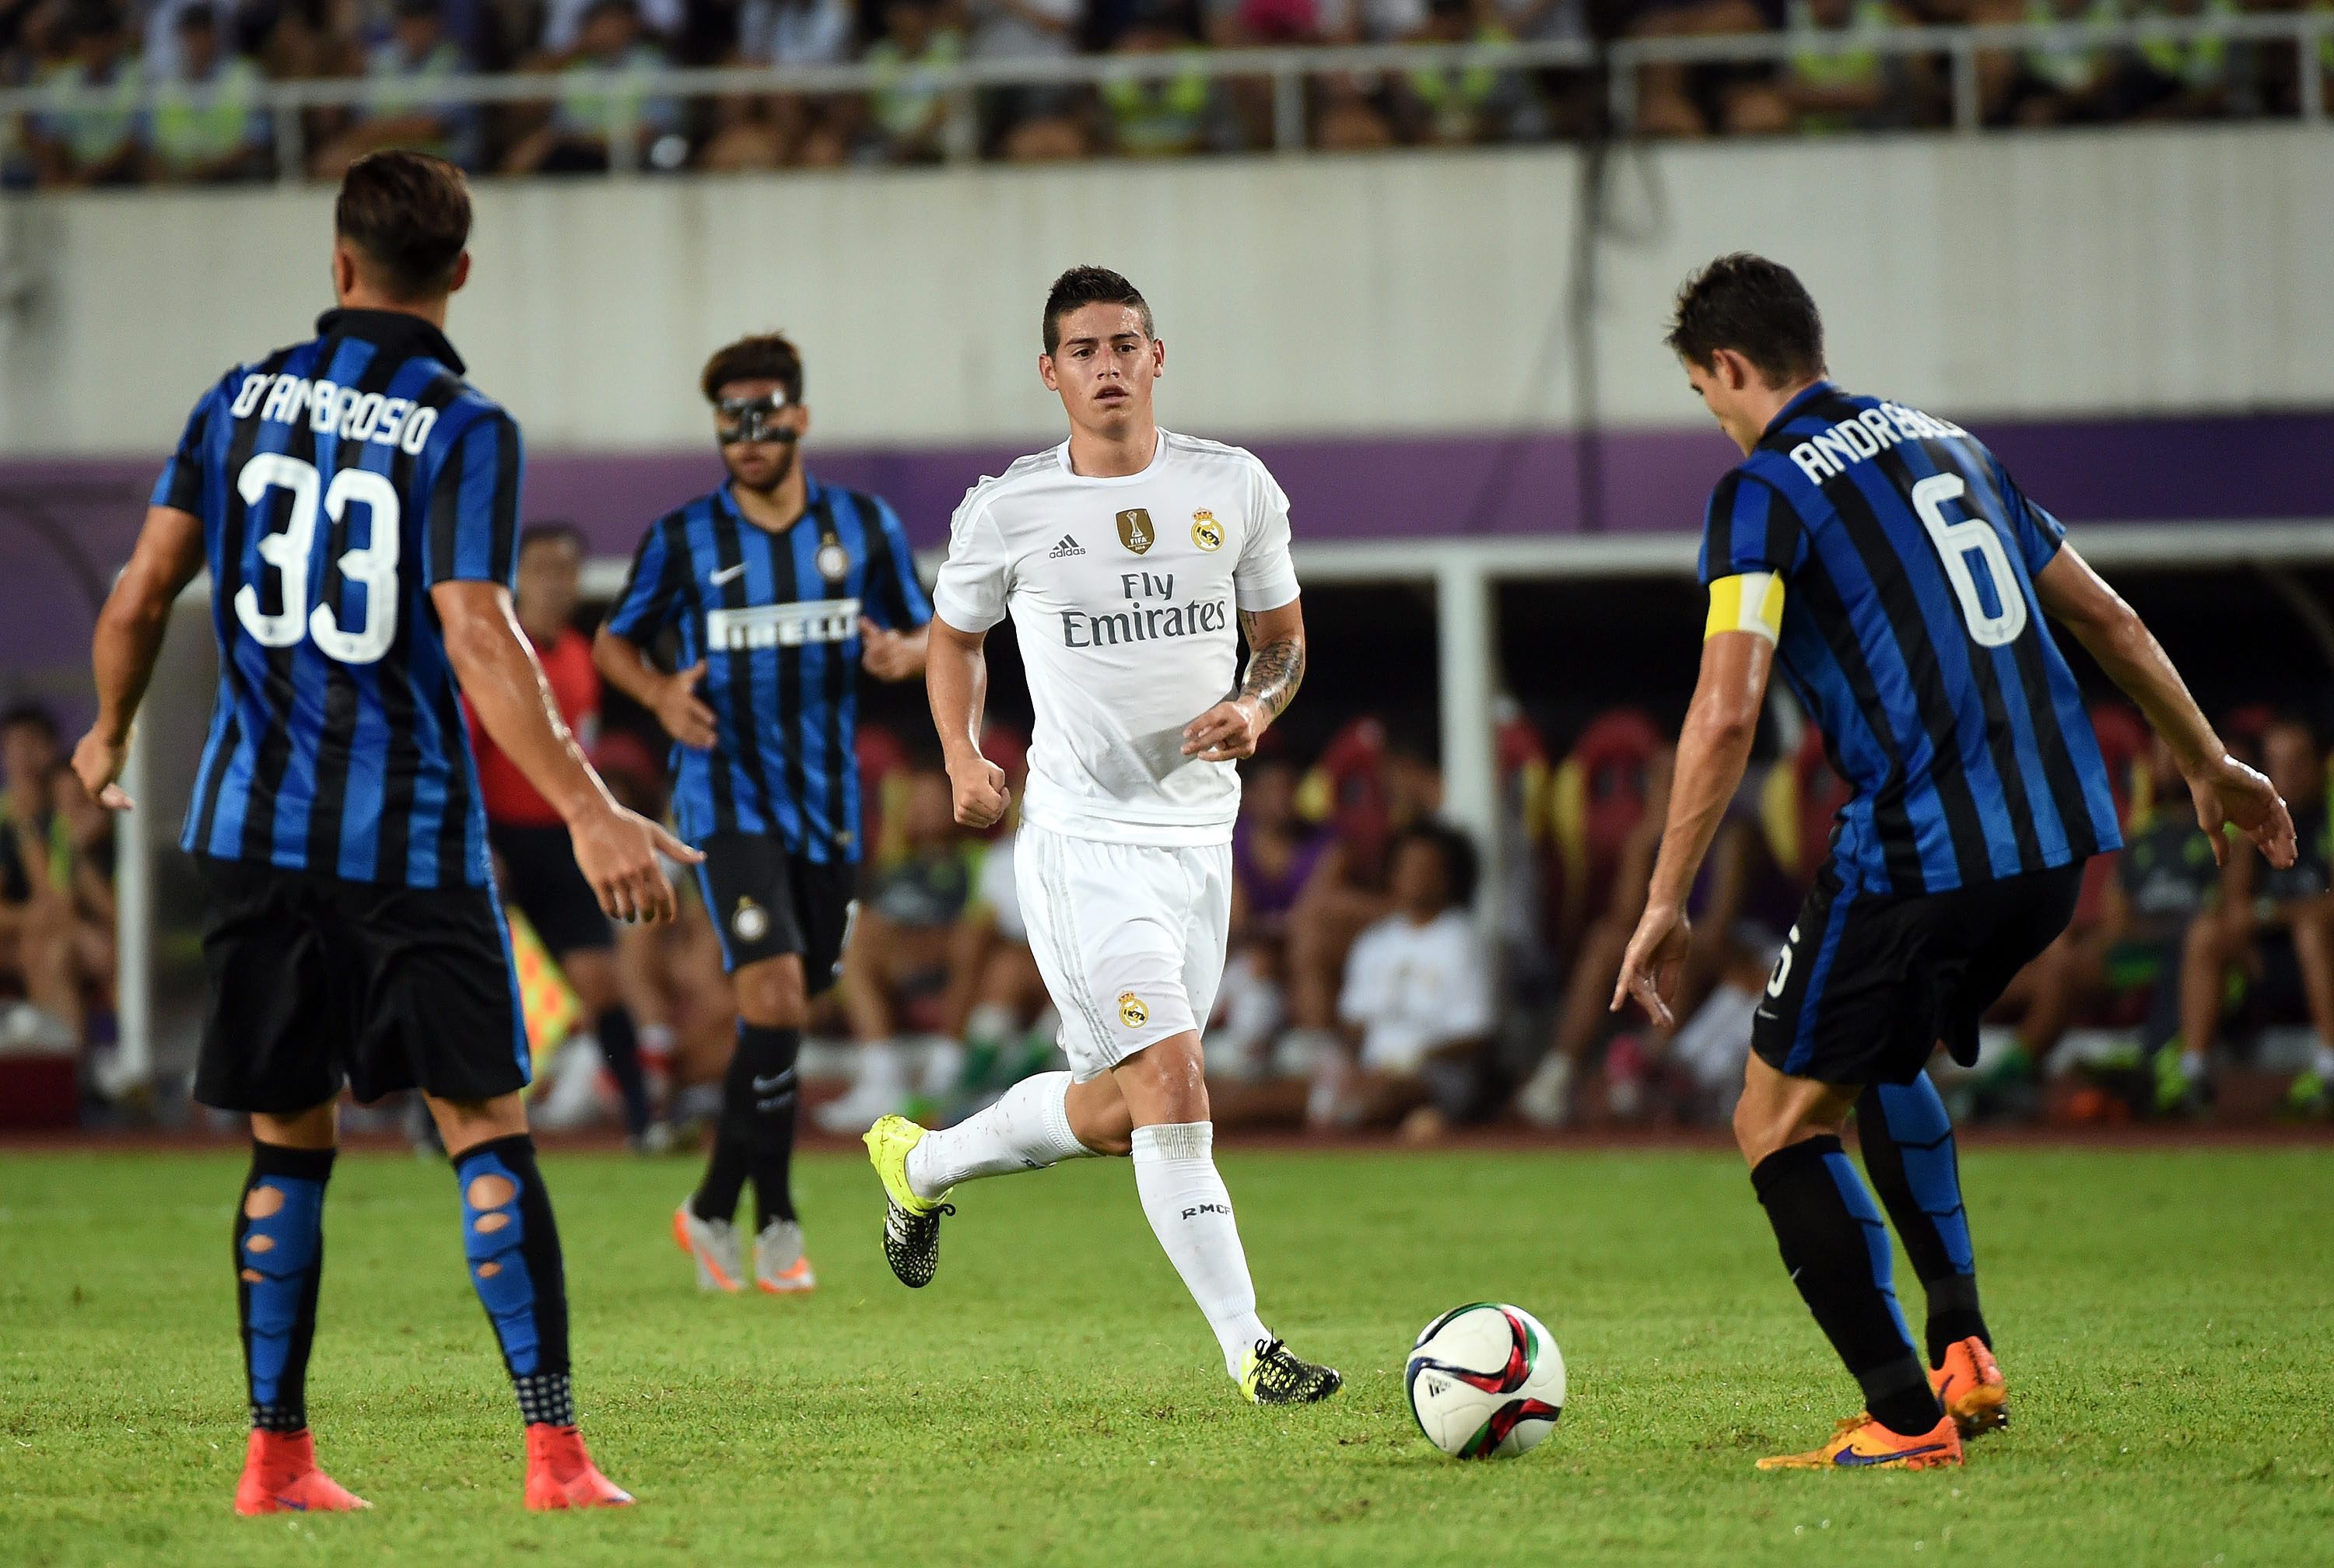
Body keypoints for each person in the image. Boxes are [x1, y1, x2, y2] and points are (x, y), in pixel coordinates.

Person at [69, 152, 687, 1512]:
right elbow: (477, 628)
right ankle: (554, 1457)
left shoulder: (232, 403)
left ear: (339, 264)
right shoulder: (465, 426)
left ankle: (276, 1459)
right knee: (486, 1130)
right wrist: (591, 807)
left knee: (289, 1146)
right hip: (403, 839)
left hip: (248, 829)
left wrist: (110, 730)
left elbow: (137, 593)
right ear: (459, 273)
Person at [1610, 253, 2294, 1472]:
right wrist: (2208, 763)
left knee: (1771, 1120)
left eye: (1708, 397)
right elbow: (2111, 620)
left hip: (1923, 848)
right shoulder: (1955, 447)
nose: (1715, 421)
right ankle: (1961, 1346)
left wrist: (1665, 899)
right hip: (2054, 847)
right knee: (1876, 1057)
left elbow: (1725, 712)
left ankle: (1906, 1422)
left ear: (1728, 367)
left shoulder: (1760, 492)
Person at [863, 264, 1341, 1407]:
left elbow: (1282, 639)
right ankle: (1251, 1349)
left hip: (1198, 845)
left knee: (1125, 1113)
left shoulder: (1235, 485)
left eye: (1126, 343)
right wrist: (963, 754)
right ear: (1051, 372)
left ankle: (918, 1164)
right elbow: (954, 637)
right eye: (1084, 349)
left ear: (1158, 358)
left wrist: (1257, 706)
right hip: (1081, 845)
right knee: (1174, 1082)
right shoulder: (1010, 507)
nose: (1109, 364)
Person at [594, 331, 933, 1297]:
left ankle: (710, 1209)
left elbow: (922, 634)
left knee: (787, 1007)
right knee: (775, 998)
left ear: (798, 418)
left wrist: (902, 657)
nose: (745, 435)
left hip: (827, 809)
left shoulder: (860, 528)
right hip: (725, 798)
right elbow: (618, 644)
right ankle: (777, 1222)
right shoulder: (683, 538)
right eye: (727, 420)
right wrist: (660, 696)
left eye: (762, 414)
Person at [468, 522, 662, 1146]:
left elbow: (586, 752)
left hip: (559, 838)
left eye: (567, 570)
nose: (556, 583)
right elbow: (464, 755)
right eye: (543, 568)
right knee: (478, 990)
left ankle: (641, 1123)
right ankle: (439, 1121)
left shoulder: (581, 658)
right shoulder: (487, 652)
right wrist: (478, 842)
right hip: (495, 839)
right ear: (516, 577)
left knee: (600, 982)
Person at [1317, 821, 1495, 1139]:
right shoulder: (1374, 942)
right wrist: (1356, 1065)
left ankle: (1352, 1126)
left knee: (1378, 1099)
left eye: (1428, 868)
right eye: (1410, 868)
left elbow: (1477, 1033)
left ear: (1447, 877)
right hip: (1373, 1069)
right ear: (1393, 874)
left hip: (1436, 1073)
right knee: (1294, 1091)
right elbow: (1353, 1022)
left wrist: (1414, 1058)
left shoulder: (1462, 939)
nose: (1418, 877)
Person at [0, 704, 117, 1045]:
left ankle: (65, 1073)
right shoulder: (7, 818)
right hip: (29, 938)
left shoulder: (70, 812)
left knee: (54, 951)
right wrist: (30, 919)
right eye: (12, 746)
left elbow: (61, 901)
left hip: (67, 937)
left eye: (31, 744)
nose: (22, 758)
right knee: (47, 946)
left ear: (51, 748)